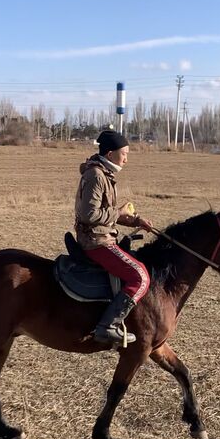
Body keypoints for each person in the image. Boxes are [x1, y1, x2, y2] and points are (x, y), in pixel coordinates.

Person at [74, 129, 153, 344]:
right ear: (110, 154)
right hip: (96, 241)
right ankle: (108, 326)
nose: (127, 158)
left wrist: (136, 221)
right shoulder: (96, 176)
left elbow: (106, 213)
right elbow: (88, 214)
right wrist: (120, 212)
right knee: (140, 277)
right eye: (124, 153)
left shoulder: (104, 174)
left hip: (102, 235)